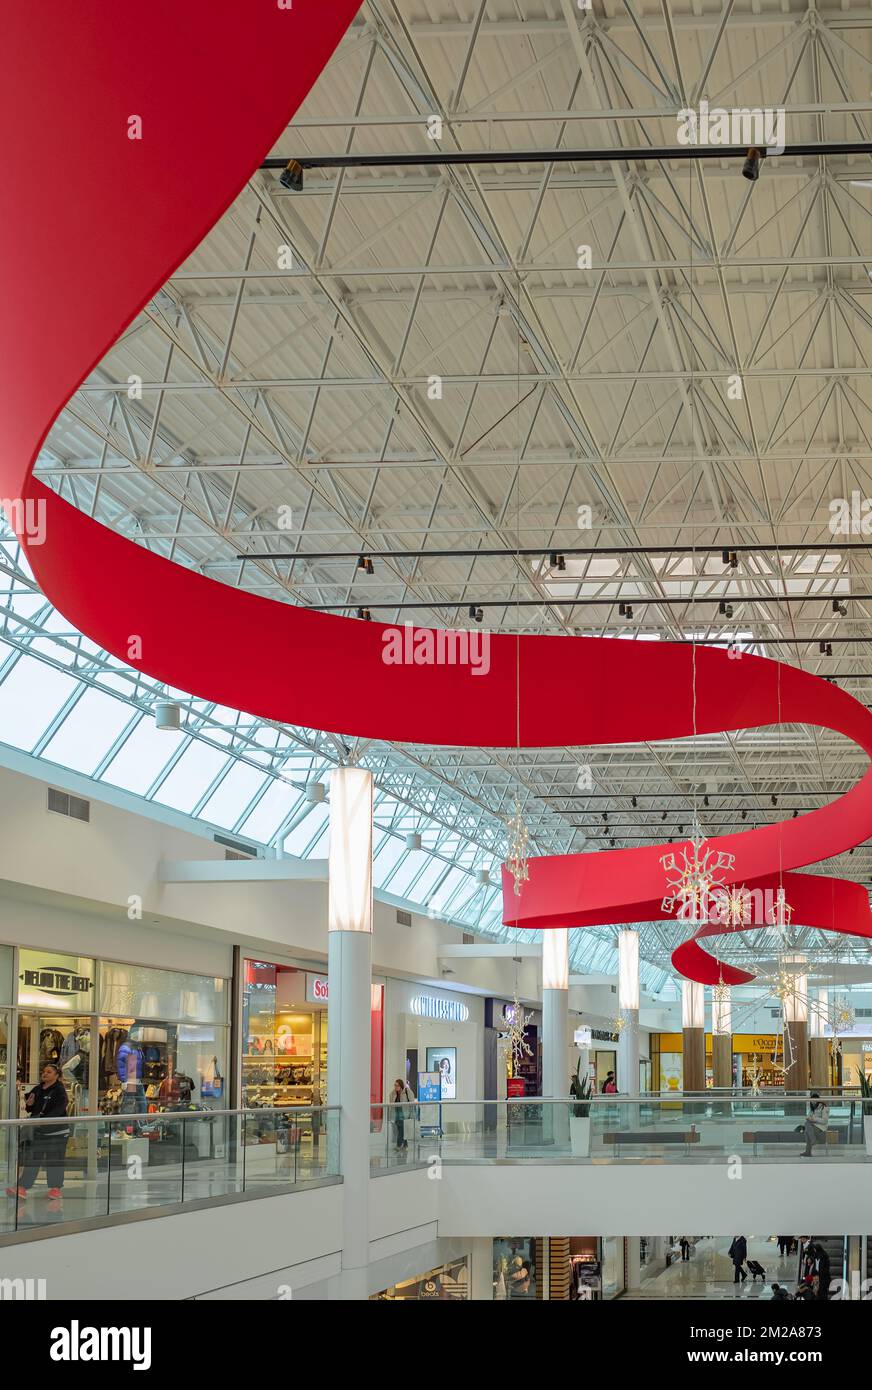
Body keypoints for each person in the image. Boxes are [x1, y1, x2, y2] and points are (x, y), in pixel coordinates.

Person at [7, 1063, 69, 1212]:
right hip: (39, 1131)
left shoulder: (60, 1091)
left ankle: (55, 1188)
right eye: (44, 1071)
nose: (45, 1074)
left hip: (56, 1132)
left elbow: (59, 1110)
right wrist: (29, 1104)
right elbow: (30, 1106)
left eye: (49, 1072)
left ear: (56, 1075)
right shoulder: (38, 1089)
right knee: (33, 1158)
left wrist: (45, 1122)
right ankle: (22, 1187)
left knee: (54, 1159)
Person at [390, 1077, 415, 1151]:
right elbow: (391, 1103)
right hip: (396, 1115)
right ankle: (405, 1145)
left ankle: (398, 1145)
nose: (395, 1087)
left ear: (401, 1086)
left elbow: (412, 1103)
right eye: (395, 1085)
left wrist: (411, 1114)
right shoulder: (393, 1093)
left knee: (401, 1130)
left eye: (397, 1085)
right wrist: (393, 1093)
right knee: (401, 1130)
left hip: (405, 1115)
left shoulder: (407, 1092)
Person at [800, 1093, 829, 1157]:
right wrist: (808, 1118)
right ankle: (813, 1141)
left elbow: (825, 1121)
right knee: (807, 1125)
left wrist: (814, 1119)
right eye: (812, 1100)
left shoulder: (824, 1108)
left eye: (814, 1100)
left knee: (807, 1130)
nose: (813, 1102)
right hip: (812, 1125)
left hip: (820, 1127)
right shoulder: (812, 1108)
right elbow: (808, 1116)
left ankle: (808, 1151)